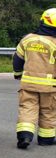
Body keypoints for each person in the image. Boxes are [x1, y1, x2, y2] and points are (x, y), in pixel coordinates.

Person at [13, 8, 56, 148]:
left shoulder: (27, 39)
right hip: (50, 86)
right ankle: (46, 139)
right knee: (48, 112)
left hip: (28, 84)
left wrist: (18, 74)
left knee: (27, 108)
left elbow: (17, 59)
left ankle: (24, 137)